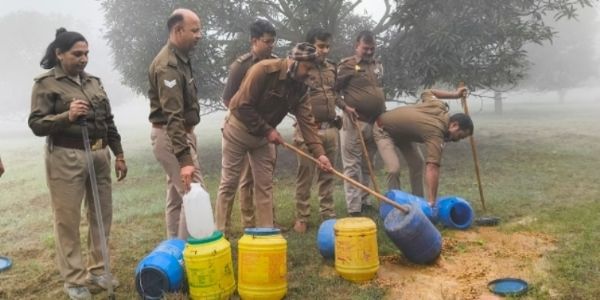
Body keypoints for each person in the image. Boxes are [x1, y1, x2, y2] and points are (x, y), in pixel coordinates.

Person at [28, 28, 126, 300]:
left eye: (86, 54)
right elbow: (36, 124)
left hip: (99, 154)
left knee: (101, 215)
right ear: (59, 54)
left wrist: (118, 153)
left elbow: (108, 120)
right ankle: (74, 279)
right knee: (68, 220)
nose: (83, 59)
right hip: (66, 156)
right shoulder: (46, 84)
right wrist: (66, 116)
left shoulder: (94, 81)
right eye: (77, 54)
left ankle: (98, 270)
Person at [215, 42, 333, 237]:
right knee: (229, 183)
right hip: (237, 130)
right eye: (308, 68)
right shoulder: (262, 70)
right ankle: (220, 235)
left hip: (262, 138)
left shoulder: (301, 88)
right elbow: (241, 106)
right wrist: (268, 130)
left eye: (313, 69)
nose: (310, 74)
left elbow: (307, 123)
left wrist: (320, 154)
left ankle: (265, 235)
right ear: (294, 62)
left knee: (265, 185)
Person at [148, 8, 204, 239]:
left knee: (176, 197)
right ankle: (186, 254)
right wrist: (185, 160)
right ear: (178, 30)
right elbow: (173, 116)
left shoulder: (181, 59)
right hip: (173, 136)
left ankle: (173, 250)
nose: (199, 35)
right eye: (195, 30)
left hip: (182, 134)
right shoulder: (168, 66)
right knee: (194, 194)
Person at [221, 19, 277, 232]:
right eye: (267, 41)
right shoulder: (241, 65)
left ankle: (265, 230)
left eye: (273, 42)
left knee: (263, 182)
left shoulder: (274, 64)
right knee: (234, 182)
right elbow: (228, 100)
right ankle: (238, 226)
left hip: (263, 132)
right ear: (254, 41)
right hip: (239, 130)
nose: (271, 45)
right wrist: (249, 121)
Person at [373, 88, 473, 206]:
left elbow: (429, 92)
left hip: (404, 134)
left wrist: (455, 95)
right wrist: (433, 201)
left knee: (417, 163)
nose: (457, 140)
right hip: (383, 130)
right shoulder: (436, 132)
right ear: (454, 125)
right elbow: (432, 168)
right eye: (460, 136)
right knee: (394, 169)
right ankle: (394, 205)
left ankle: (419, 202)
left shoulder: (438, 105)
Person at [335, 30, 392, 216]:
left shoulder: (378, 65)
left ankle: (365, 200)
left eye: (372, 48)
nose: (369, 52)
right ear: (356, 46)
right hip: (354, 122)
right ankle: (354, 209)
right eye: (365, 48)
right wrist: (345, 107)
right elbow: (332, 91)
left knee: (369, 165)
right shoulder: (347, 65)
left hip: (375, 122)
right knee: (352, 165)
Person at [292, 28, 343, 233]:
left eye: (327, 46)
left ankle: (327, 214)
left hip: (330, 128)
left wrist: (342, 109)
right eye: (321, 46)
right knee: (305, 174)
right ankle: (302, 217)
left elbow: (334, 94)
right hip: (307, 130)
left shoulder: (332, 67)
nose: (325, 50)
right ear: (311, 47)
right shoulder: (301, 68)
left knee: (328, 174)